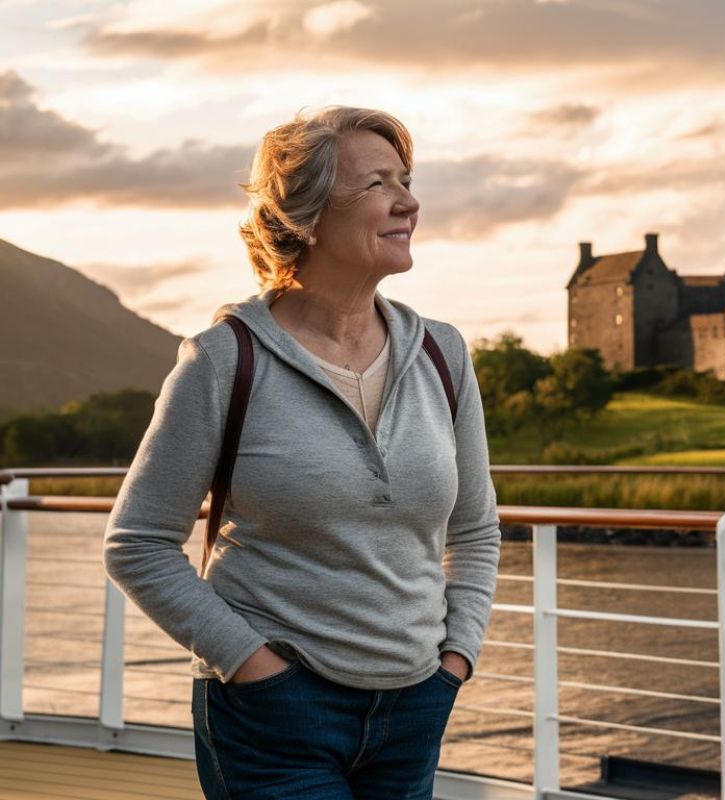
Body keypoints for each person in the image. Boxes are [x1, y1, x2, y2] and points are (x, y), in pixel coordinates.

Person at [103, 106, 502, 799]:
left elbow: (474, 528)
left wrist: (455, 659)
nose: (409, 202)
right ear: (306, 219)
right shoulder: (223, 361)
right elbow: (137, 543)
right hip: (274, 714)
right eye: (378, 184)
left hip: (416, 706)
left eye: (406, 180)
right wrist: (252, 665)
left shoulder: (444, 353)